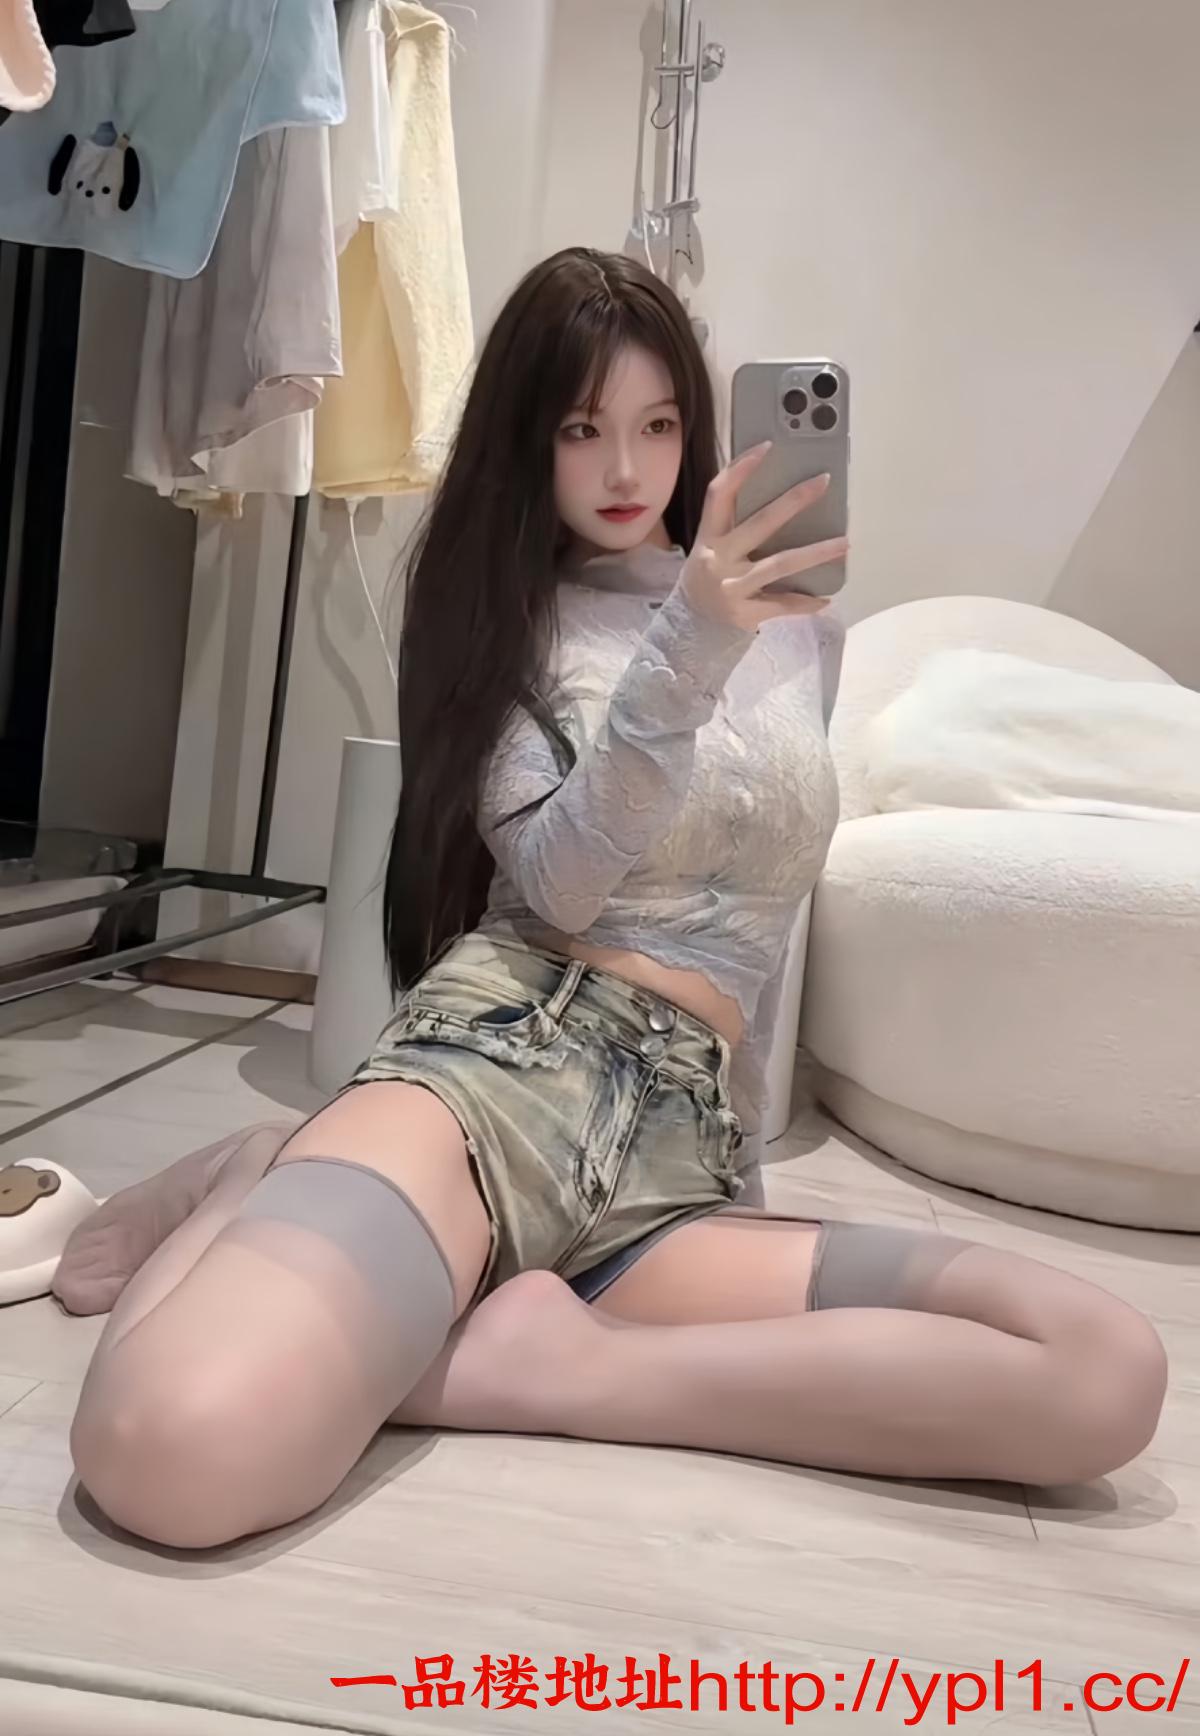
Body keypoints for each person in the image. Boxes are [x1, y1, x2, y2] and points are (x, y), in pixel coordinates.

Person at [64, 247, 1167, 1550]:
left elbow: (765, 921)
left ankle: (562, 1369)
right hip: (500, 1076)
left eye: (659, 425)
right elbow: (562, 882)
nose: (627, 469)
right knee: (170, 1458)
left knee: (1100, 1369)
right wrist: (688, 643)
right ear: (529, 441)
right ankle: (262, 1171)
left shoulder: (802, 634)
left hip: (681, 1147)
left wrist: (735, 1159)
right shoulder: (506, 618)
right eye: (583, 430)